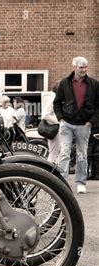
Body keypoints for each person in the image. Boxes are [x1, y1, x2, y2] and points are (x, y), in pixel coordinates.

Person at [54, 56, 99, 194]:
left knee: (82, 154)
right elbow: (57, 103)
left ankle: (80, 182)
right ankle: (61, 182)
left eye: (85, 67)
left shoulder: (94, 84)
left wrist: (91, 122)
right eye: (81, 67)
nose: (84, 70)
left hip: (84, 125)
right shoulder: (64, 83)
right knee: (65, 152)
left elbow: (98, 106)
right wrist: (60, 118)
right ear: (74, 67)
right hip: (66, 123)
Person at [41, 85, 61, 164]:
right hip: (54, 129)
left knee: (57, 152)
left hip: (56, 128)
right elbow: (45, 115)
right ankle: (50, 173)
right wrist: (59, 121)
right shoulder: (54, 99)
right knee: (54, 153)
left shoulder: (57, 98)